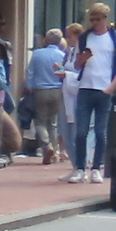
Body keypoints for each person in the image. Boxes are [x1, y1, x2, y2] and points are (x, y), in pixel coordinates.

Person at [67, 2, 116, 182]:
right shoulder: (85, 37)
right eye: (92, 19)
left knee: (101, 132)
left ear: (105, 19)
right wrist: (82, 59)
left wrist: (111, 86)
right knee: (81, 131)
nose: (94, 23)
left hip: (104, 89)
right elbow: (77, 66)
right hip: (85, 87)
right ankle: (79, 168)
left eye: (98, 20)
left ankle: (96, 168)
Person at [24, 29, 68, 166]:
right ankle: (54, 152)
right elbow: (63, 73)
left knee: (40, 121)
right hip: (57, 89)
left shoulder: (37, 54)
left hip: (40, 90)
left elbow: (30, 72)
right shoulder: (62, 55)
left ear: (46, 40)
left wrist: (29, 86)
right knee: (53, 122)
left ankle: (46, 145)